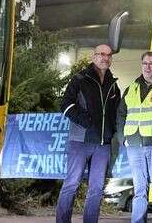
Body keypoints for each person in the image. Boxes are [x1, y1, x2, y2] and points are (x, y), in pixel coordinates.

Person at [57, 44, 121, 223]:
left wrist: (112, 130)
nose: (105, 58)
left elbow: (117, 113)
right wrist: (85, 121)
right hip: (80, 142)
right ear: (94, 57)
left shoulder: (114, 85)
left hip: (103, 145)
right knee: (71, 185)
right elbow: (66, 105)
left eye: (108, 55)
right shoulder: (79, 79)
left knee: (96, 189)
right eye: (101, 54)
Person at [117, 51, 152, 223]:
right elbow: (120, 115)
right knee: (139, 190)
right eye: (145, 63)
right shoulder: (131, 88)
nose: (148, 67)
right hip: (133, 145)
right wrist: (122, 138)